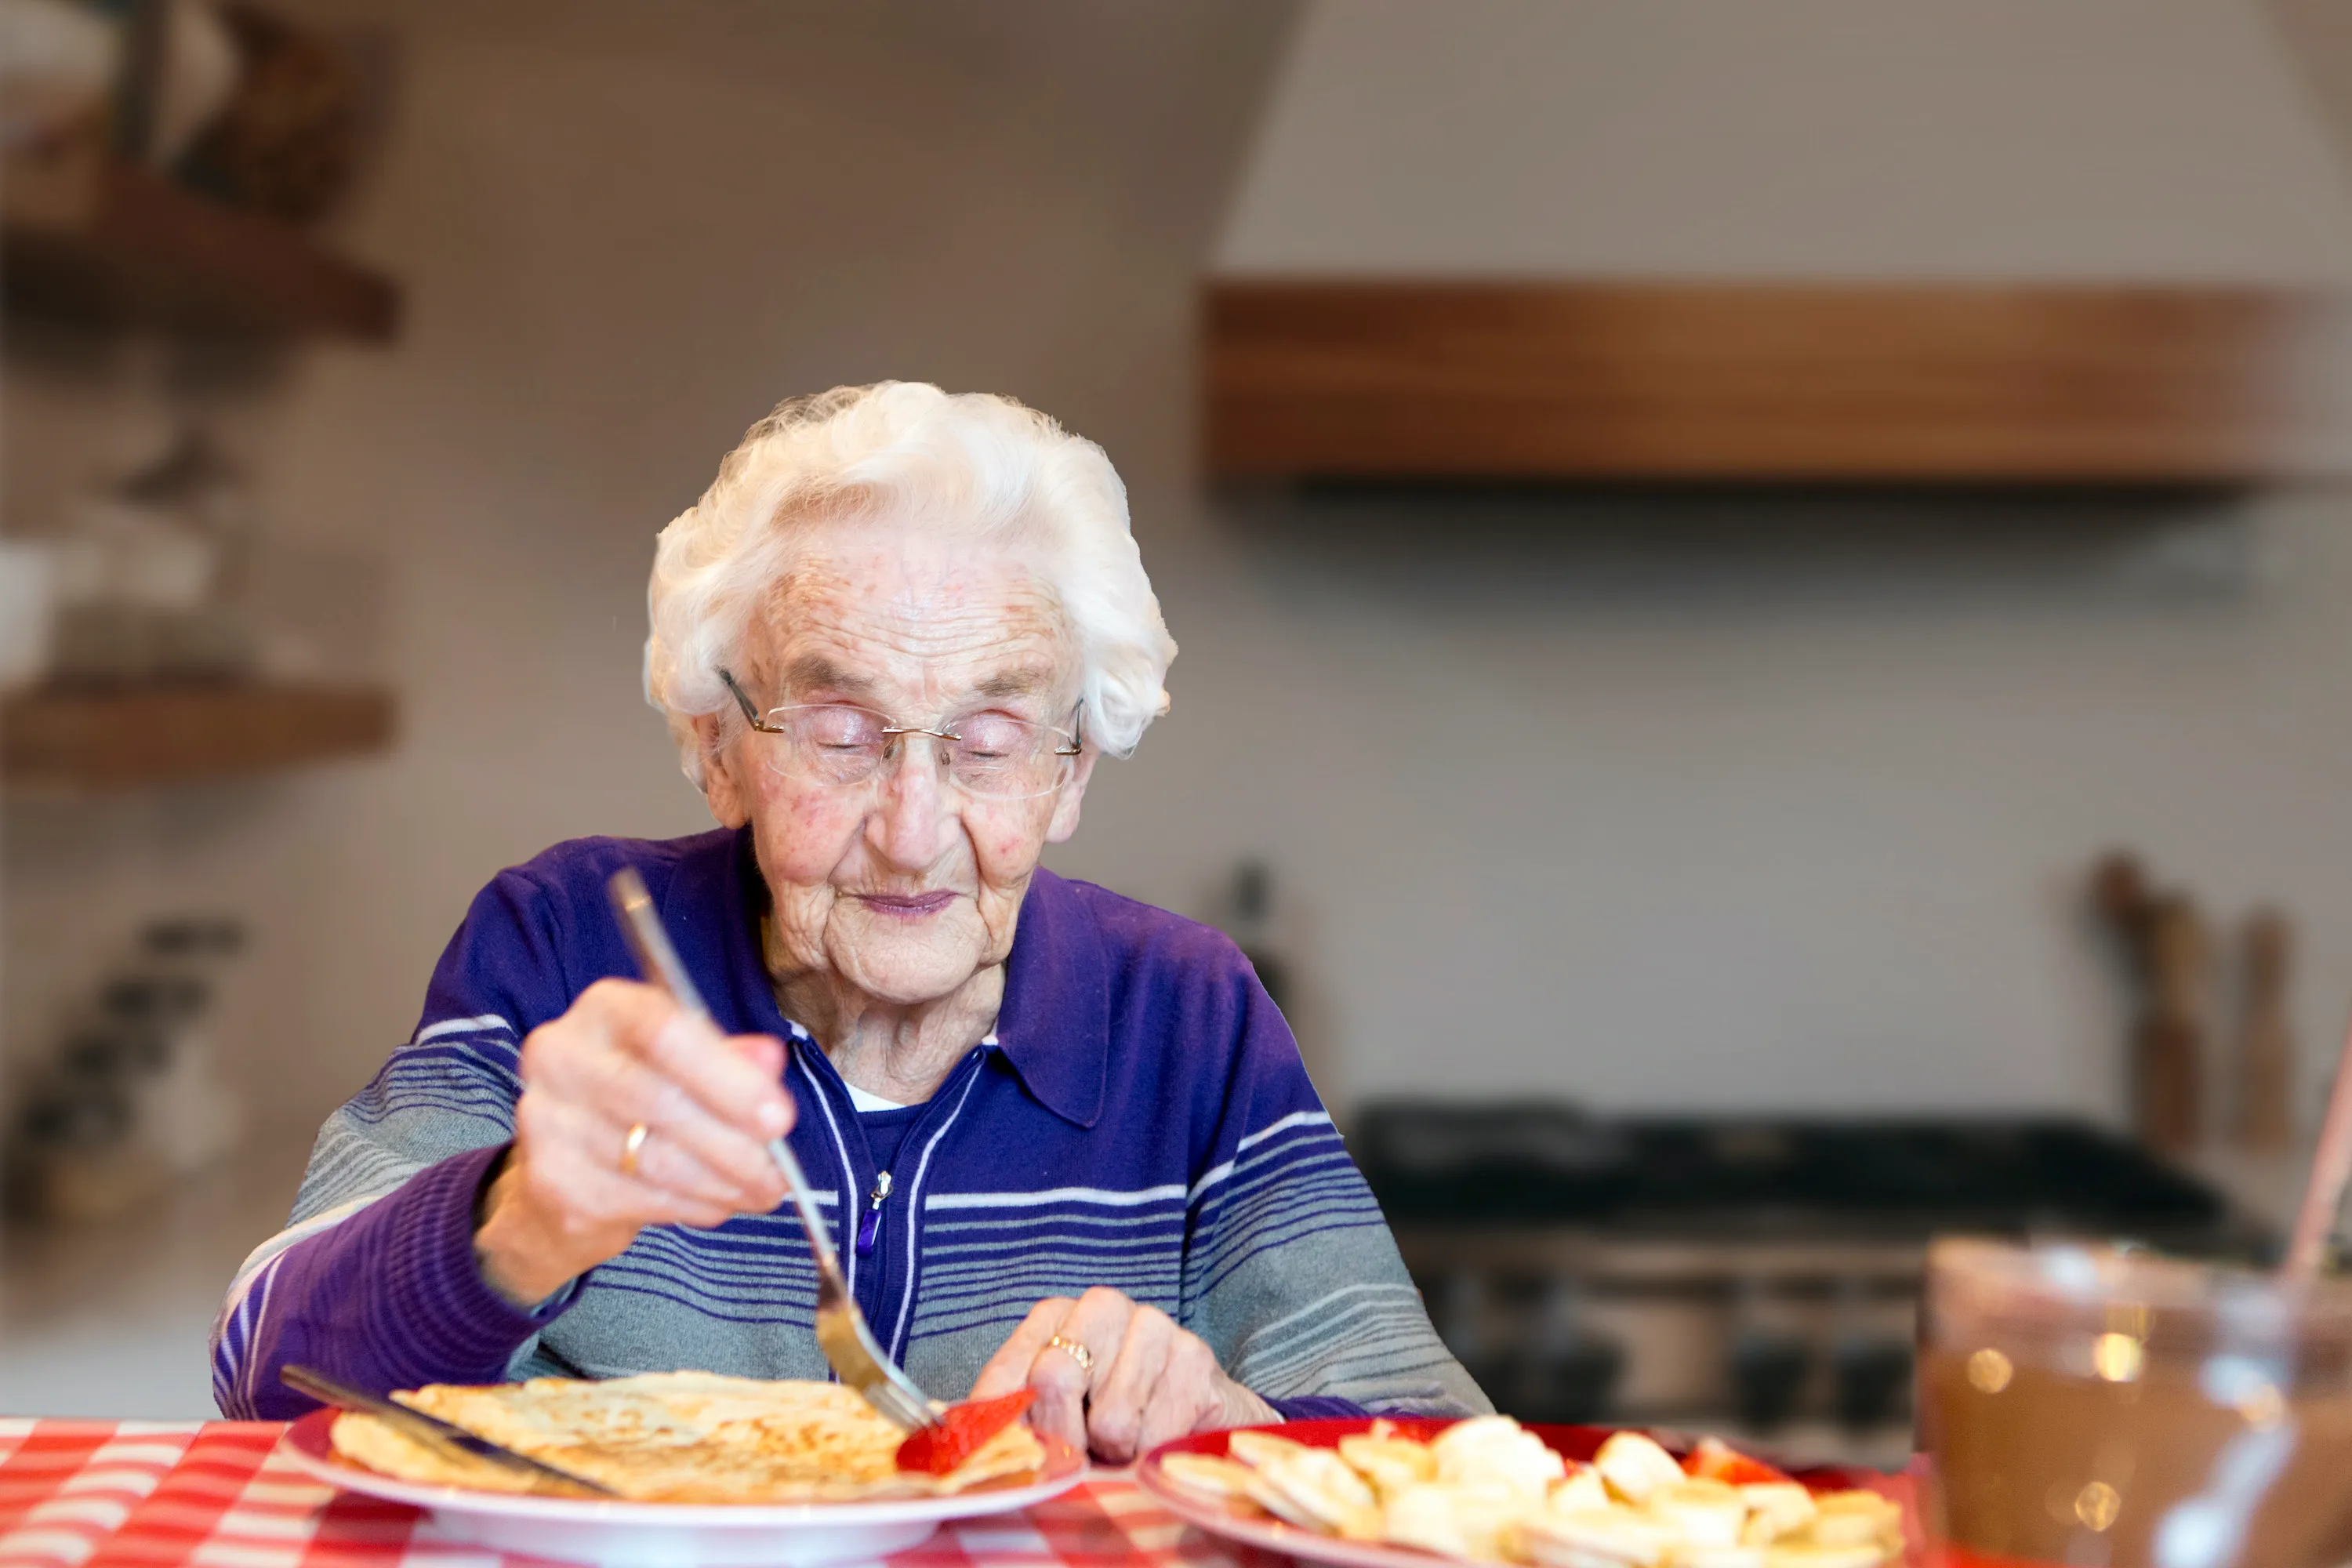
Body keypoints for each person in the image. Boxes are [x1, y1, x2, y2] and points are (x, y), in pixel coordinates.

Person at [212, 383, 1487, 1459]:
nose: (912, 826)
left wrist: (1227, 1417)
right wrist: (522, 1215)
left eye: (989, 743)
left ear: (1071, 775)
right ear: (719, 751)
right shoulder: (563, 946)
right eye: (839, 736)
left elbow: (1436, 1450)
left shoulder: (1184, 1015)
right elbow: (262, 1371)